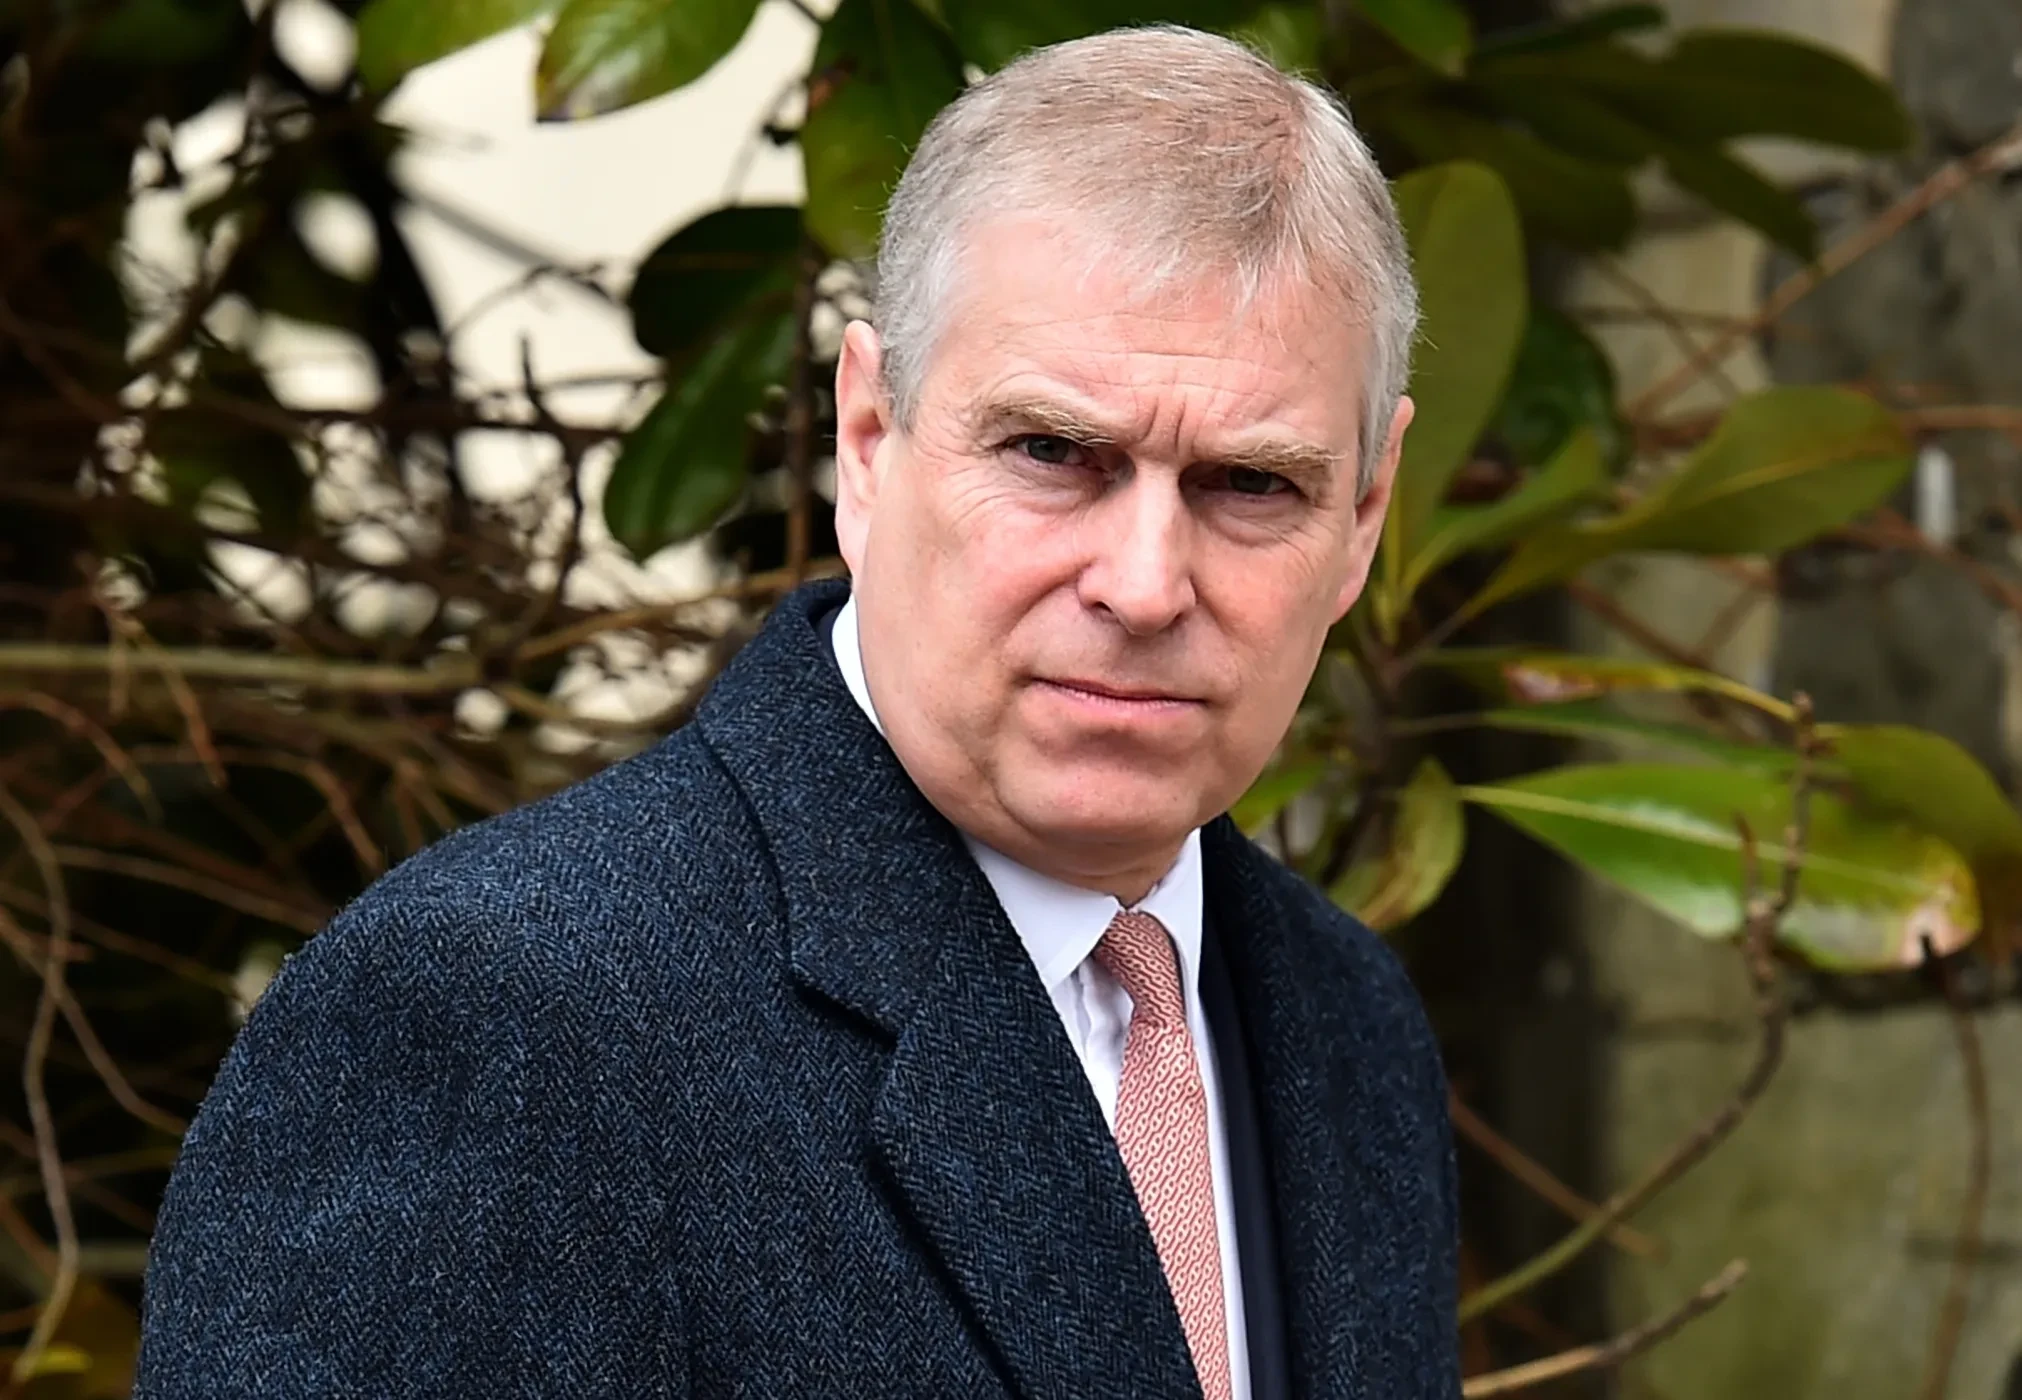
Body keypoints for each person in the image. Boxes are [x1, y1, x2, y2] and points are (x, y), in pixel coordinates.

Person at [134, 23, 1458, 1399]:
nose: (1142, 584)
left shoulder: (1348, 1025)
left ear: (1364, 515)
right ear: (869, 441)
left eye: (1250, 484)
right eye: (1054, 452)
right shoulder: (508, 1016)